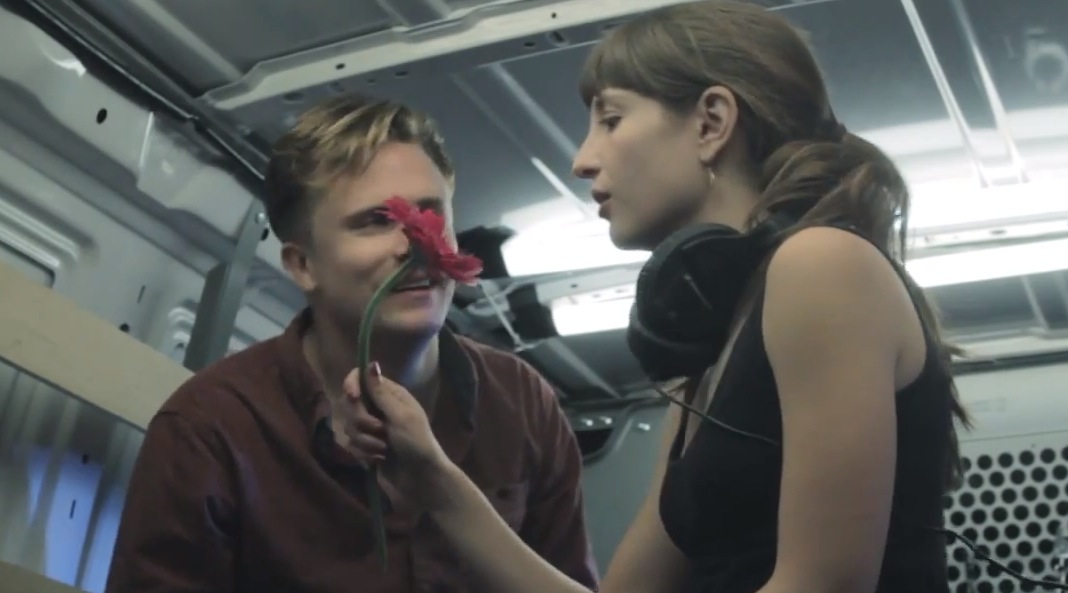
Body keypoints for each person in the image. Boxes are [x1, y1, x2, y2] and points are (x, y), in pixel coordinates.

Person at [339, 2, 971, 593]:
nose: (582, 161)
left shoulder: (820, 264)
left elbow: (823, 586)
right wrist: (434, 479)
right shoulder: (706, 360)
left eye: (610, 120)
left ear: (711, 123)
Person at [104, 95, 599, 593]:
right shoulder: (211, 427)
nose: (413, 245)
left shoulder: (523, 403)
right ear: (303, 265)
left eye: (431, 214)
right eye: (376, 221)